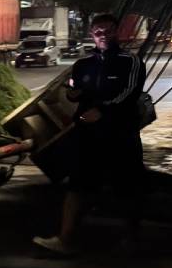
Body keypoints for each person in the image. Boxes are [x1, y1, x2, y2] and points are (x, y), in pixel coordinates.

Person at [33, 13, 147, 255]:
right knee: (77, 186)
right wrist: (73, 95)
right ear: (91, 34)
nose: (102, 34)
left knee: (127, 187)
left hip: (120, 136)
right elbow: (77, 92)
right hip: (88, 137)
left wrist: (104, 110)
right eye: (98, 30)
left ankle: (132, 239)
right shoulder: (83, 65)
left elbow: (130, 92)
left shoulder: (131, 61)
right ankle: (65, 240)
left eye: (107, 30)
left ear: (117, 32)